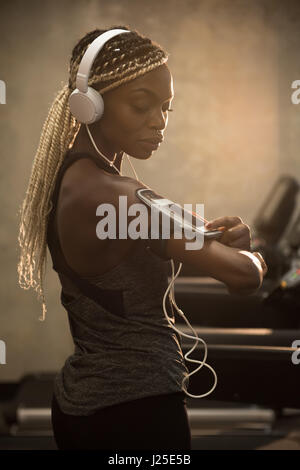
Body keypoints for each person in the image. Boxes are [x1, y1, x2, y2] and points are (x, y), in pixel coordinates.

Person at [17, 26, 267, 450]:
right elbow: (245, 277)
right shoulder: (126, 199)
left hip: (81, 406)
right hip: (139, 415)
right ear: (90, 103)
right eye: (141, 105)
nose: (159, 122)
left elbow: (141, 236)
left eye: (166, 108)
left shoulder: (74, 182)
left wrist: (192, 229)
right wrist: (256, 256)